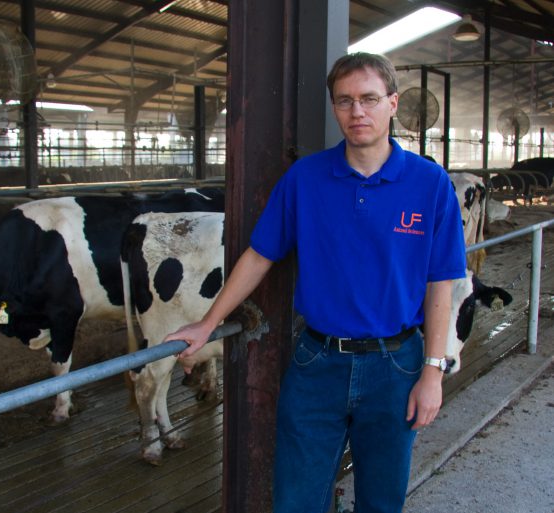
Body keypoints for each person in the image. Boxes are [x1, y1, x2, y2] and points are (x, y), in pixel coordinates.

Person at [164, 52, 467, 513]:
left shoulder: (430, 184)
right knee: (296, 500)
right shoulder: (305, 179)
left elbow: (441, 283)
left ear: (392, 103)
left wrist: (433, 372)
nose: (357, 112)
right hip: (317, 362)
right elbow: (260, 256)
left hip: (397, 366)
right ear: (333, 108)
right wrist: (208, 323)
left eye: (368, 99)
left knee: (382, 502)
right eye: (344, 101)